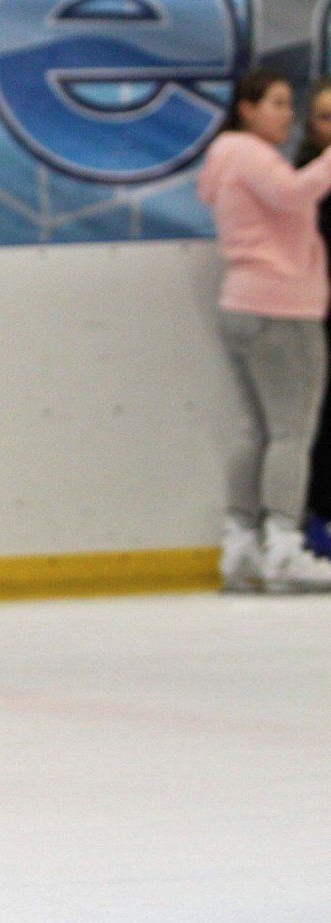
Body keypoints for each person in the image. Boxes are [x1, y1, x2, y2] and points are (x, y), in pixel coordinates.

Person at [195, 68, 331, 592]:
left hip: (244, 303)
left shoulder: (225, 157)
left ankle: (240, 541)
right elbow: (295, 196)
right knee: (291, 433)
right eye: (276, 102)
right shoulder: (250, 155)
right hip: (282, 306)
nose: (287, 113)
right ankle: (282, 544)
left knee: (258, 429)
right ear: (246, 108)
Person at [298, 79, 331, 560]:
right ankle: (318, 514)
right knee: (323, 414)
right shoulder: (303, 178)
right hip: (320, 308)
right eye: (325, 117)